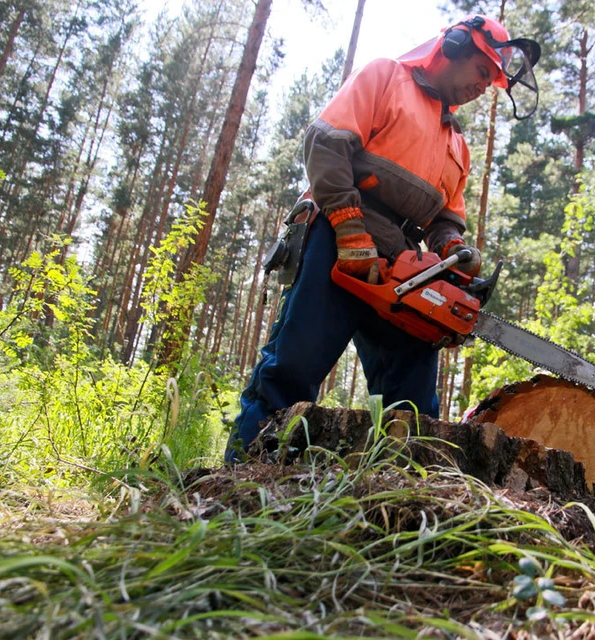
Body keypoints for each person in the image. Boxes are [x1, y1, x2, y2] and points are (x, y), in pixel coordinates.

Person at [226, 15, 541, 462]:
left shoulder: (458, 146)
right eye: (481, 72)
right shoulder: (385, 77)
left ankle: (401, 497)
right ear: (452, 47)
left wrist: (453, 249)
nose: (483, 87)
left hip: (401, 267)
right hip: (335, 238)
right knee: (293, 367)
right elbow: (326, 145)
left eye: (491, 80)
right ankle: (246, 473)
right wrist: (351, 229)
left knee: (412, 397)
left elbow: (445, 220)